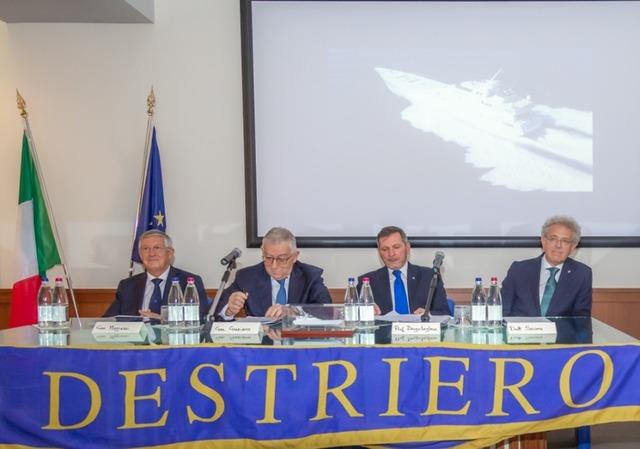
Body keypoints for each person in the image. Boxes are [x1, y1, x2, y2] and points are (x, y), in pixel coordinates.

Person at [217, 227, 332, 319]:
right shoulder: (246, 277)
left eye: (282, 259)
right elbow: (216, 310)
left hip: (299, 339)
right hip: (261, 340)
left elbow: (327, 312)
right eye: (268, 258)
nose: (274, 266)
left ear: (295, 256)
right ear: (262, 253)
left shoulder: (310, 276)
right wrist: (229, 310)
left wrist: (292, 311)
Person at [104, 230, 208, 320]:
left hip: (174, 337)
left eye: (157, 248)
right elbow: (108, 320)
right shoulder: (127, 286)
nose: (151, 254)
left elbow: (200, 317)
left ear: (169, 253)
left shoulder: (189, 282)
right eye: (145, 249)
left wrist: (162, 318)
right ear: (140, 255)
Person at [501, 215, 592, 317]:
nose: (558, 245)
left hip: (560, 328)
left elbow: (581, 319)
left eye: (565, 241)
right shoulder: (519, 270)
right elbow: (501, 311)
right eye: (553, 239)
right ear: (543, 241)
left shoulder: (582, 274)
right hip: (521, 327)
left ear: (573, 247)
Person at [358, 226, 449, 316]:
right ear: (379, 252)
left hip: (419, 326)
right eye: (385, 249)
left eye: (396, 247)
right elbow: (355, 314)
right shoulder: (367, 282)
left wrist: (428, 314)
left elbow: (445, 313)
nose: (391, 254)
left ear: (407, 248)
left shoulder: (429, 277)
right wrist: (365, 312)